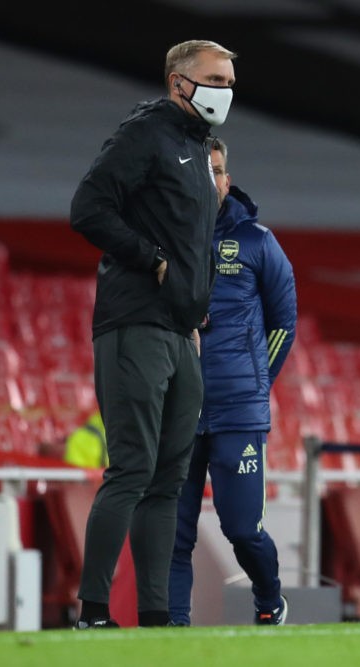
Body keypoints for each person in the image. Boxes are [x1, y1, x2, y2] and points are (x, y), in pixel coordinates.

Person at [69, 39, 237, 628]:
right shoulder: (147, 134)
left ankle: (157, 616)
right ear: (178, 84)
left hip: (179, 332)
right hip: (135, 322)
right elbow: (88, 207)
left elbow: (194, 248)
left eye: (229, 79)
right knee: (133, 470)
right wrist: (151, 259)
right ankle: (92, 610)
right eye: (214, 79)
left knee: (168, 481)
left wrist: (193, 314)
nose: (226, 89)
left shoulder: (196, 149)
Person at [168, 136, 297, 626]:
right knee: (174, 533)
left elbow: (283, 322)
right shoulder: (167, 238)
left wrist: (254, 385)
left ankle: (269, 599)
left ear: (227, 178)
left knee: (242, 529)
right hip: (178, 409)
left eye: (219, 171)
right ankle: (172, 631)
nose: (214, 180)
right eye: (204, 171)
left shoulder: (258, 242)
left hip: (237, 410)